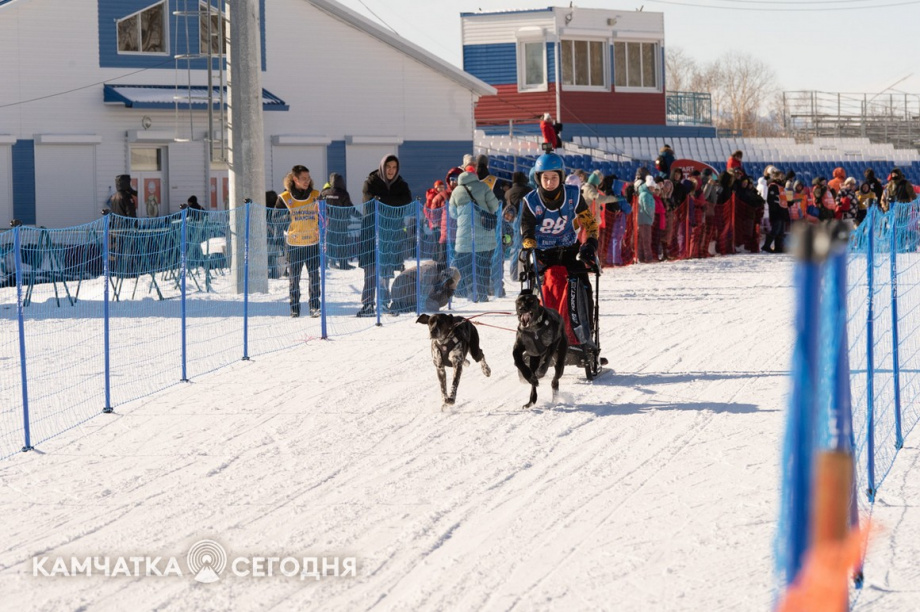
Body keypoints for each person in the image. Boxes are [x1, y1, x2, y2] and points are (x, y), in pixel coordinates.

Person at [519, 152, 600, 350]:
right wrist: (530, 247)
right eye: (545, 178)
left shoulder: (573, 195)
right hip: (543, 252)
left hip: (568, 249)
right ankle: (536, 336)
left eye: (554, 177)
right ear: (538, 178)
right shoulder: (530, 201)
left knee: (584, 283)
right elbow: (526, 228)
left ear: (561, 177)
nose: (550, 182)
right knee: (535, 290)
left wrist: (590, 243)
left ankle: (584, 334)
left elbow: (590, 222)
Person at [357, 155, 412, 317]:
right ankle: (368, 303)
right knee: (371, 270)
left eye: (394, 167)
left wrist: (383, 202)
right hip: (371, 233)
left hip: (391, 234)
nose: (391, 170)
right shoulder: (371, 182)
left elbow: (406, 202)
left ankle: (384, 302)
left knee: (386, 269)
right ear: (382, 167)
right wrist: (392, 203)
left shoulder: (401, 184)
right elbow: (370, 204)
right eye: (388, 167)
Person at [449, 165, 501, 302]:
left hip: (464, 239)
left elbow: (453, 214)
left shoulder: (456, 191)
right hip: (485, 238)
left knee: (465, 268)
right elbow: (495, 206)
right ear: (475, 176)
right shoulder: (483, 187)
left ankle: (470, 294)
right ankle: (482, 294)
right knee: (483, 267)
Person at [276, 165, 321, 318]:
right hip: (294, 245)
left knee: (314, 276)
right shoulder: (285, 198)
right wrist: (287, 219)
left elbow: (323, 216)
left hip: (312, 243)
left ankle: (315, 306)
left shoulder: (316, 195)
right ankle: (294, 308)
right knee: (294, 279)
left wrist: (321, 226)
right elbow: (275, 218)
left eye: (308, 178)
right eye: (303, 178)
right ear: (295, 179)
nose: (307, 181)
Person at [388, 262, 461, 313]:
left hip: (406, 290)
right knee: (431, 306)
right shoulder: (431, 269)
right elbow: (424, 292)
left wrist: (447, 294)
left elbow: (438, 302)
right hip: (403, 286)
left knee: (433, 305)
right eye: (449, 282)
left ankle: (403, 306)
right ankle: (403, 306)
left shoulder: (438, 276)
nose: (447, 285)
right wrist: (437, 289)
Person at [319, 172, 356, 270]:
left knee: (328, 243)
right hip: (342, 223)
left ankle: (326, 263)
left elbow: (318, 206)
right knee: (342, 244)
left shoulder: (324, 193)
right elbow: (350, 208)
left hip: (328, 223)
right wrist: (361, 216)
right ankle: (343, 264)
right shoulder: (343, 193)